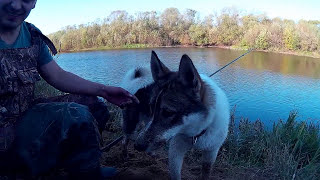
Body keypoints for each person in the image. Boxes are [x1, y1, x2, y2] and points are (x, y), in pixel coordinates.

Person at [0, 0, 139, 179]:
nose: (16, 6)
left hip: (23, 120)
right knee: (74, 113)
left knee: (93, 105)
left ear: (34, 3)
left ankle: (78, 169)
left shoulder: (31, 34)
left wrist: (104, 90)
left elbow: (56, 75)